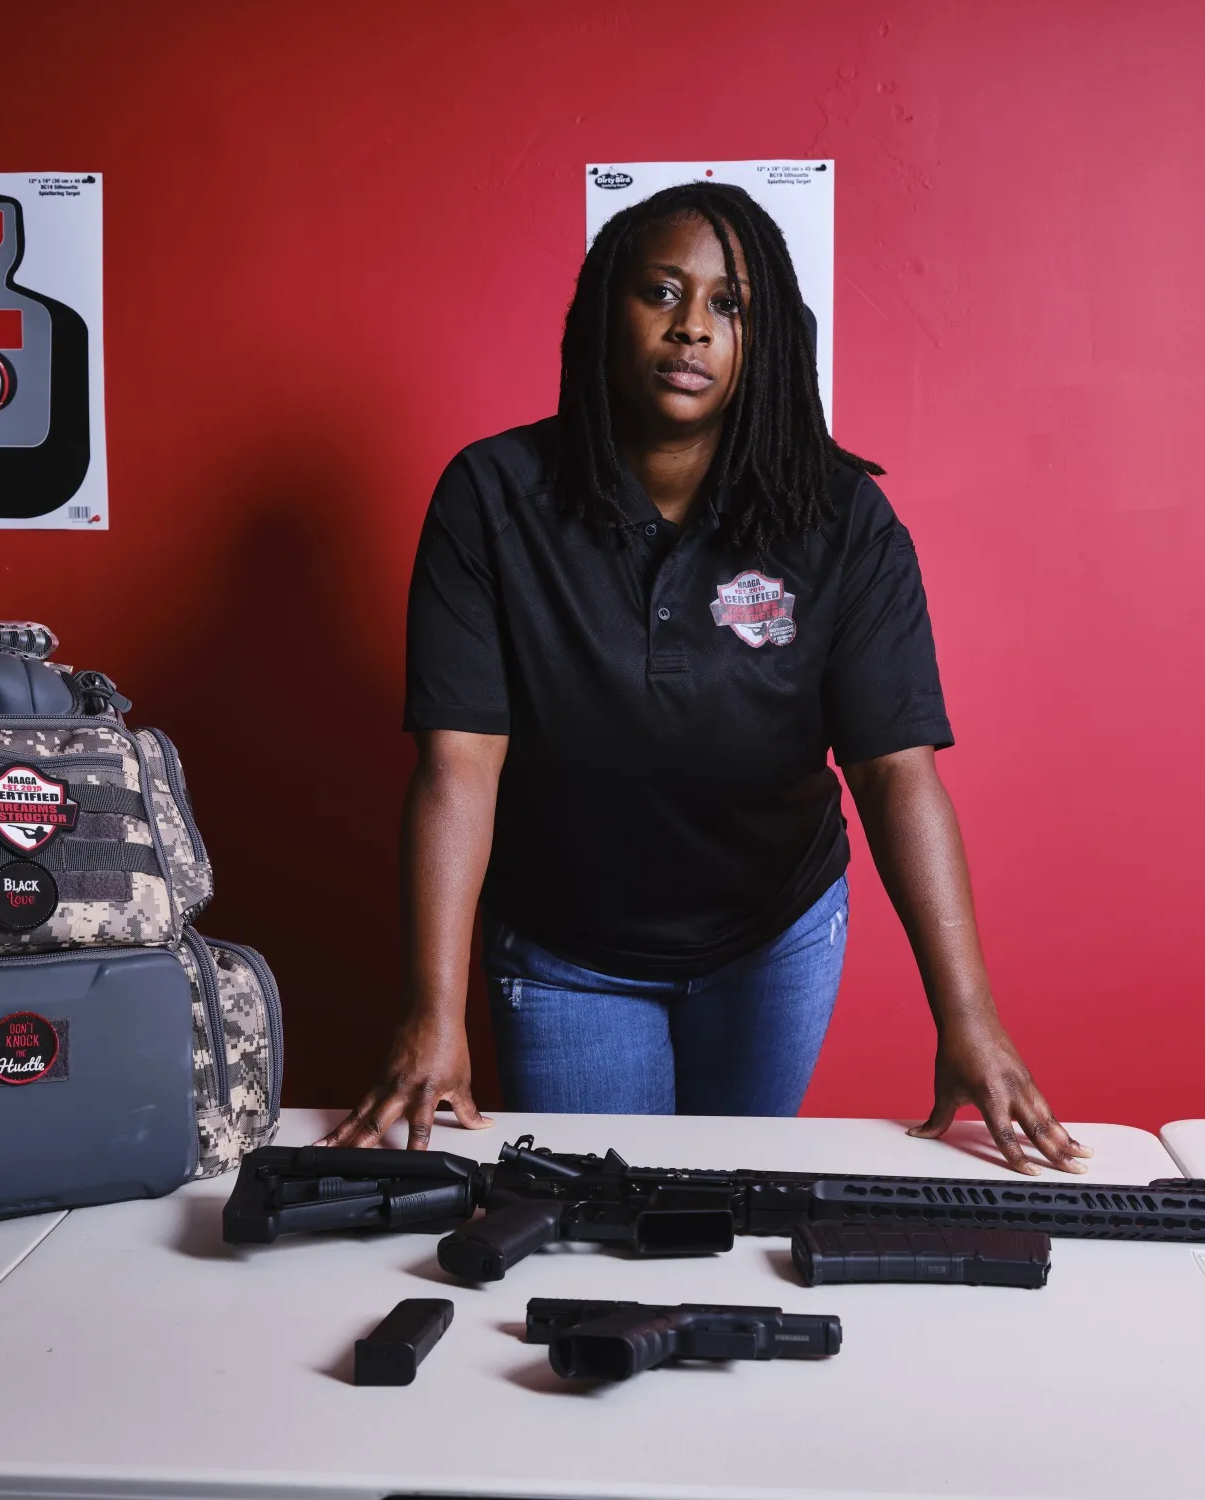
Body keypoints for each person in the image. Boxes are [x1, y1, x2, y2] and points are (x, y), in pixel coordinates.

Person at [320, 182, 1089, 1177]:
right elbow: (457, 764)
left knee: (724, 1207)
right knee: (593, 1224)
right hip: (568, 954)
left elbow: (897, 772)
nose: (692, 327)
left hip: (771, 938)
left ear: (763, 341)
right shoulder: (492, 497)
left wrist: (969, 1021)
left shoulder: (841, 518)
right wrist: (429, 1013)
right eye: (661, 293)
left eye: (730, 305)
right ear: (606, 310)